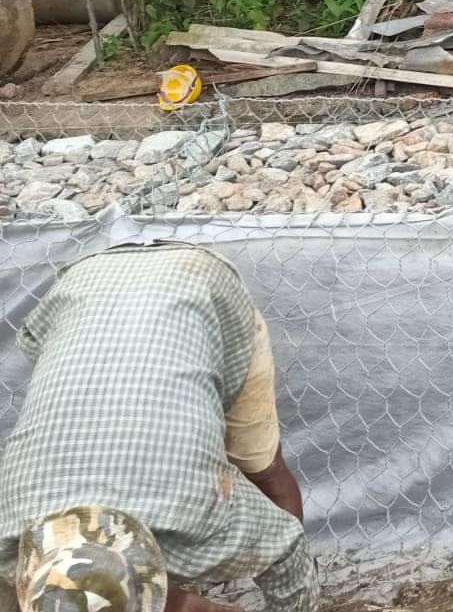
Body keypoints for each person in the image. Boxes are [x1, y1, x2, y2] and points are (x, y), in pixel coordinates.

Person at [0, 243, 316, 612]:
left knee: (261, 467)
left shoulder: (200, 511)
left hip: (198, 286)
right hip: (83, 287)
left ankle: (170, 596)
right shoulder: (8, 536)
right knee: (111, 591)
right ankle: (167, 598)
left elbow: (288, 553)